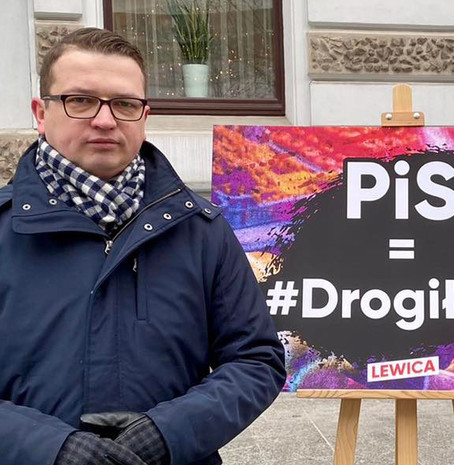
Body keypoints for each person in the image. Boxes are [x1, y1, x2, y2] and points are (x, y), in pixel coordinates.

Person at [0, 28, 286, 465]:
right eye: (81, 100)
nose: (105, 120)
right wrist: (51, 449)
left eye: (124, 104)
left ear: (143, 114)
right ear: (41, 112)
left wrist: (166, 434)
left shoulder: (201, 230)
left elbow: (256, 360)